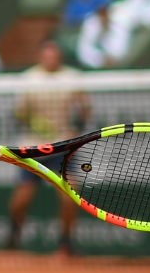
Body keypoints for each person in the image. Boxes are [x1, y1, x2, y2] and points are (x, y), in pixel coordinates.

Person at [7, 41, 90, 255]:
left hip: (62, 148)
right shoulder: (28, 79)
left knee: (69, 196)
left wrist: (76, 128)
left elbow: (85, 106)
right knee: (20, 201)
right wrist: (33, 122)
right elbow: (19, 114)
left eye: (55, 56)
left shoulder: (72, 78)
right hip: (32, 149)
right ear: (40, 57)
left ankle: (66, 243)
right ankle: (13, 238)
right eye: (47, 56)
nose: (51, 59)